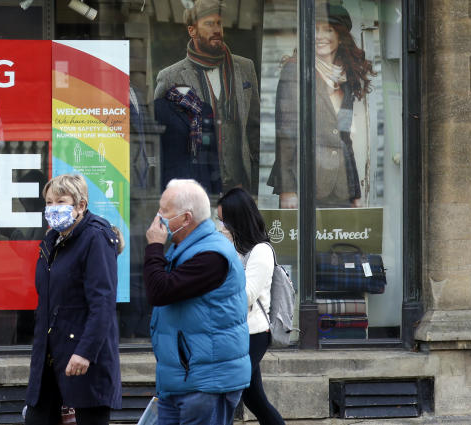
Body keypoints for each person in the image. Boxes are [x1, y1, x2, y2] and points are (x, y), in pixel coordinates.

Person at [144, 178, 250, 425]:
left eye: (165, 211)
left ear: (186, 218)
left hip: (205, 382)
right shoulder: (185, 248)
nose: (158, 217)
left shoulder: (211, 255)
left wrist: (154, 247)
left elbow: (159, 291)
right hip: (181, 380)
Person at [25, 173, 123, 425]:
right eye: (48, 202)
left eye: (60, 201)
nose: (52, 209)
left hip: (82, 357)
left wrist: (85, 352)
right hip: (50, 356)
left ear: (81, 205)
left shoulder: (96, 238)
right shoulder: (52, 239)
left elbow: (102, 303)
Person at [268, 2, 375, 208]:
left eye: (328, 29)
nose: (320, 36)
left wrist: (355, 191)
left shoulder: (346, 76)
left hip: (341, 186)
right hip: (305, 182)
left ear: (340, 35)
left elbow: (344, 138)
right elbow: (286, 135)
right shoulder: (295, 71)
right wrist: (288, 190)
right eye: (315, 30)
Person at [153, 0, 260, 194]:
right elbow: (160, 135)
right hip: (197, 183)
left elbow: (254, 125)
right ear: (192, 30)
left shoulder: (245, 68)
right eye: (209, 24)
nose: (217, 29)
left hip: (239, 182)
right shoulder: (170, 76)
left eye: (219, 23)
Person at [216, 188, 285, 425]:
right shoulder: (233, 248)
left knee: (227, 396)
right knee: (255, 399)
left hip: (253, 334)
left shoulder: (261, 252)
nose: (221, 226)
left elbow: (245, 296)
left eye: (224, 220)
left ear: (238, 220)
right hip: (235, 331)